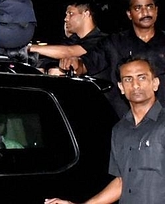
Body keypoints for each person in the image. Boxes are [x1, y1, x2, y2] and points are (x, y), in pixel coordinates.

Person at [45, 57, 165, 204]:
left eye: (142, 77)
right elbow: (121, 182)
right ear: (121, 87)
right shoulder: (119, 130)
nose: (135, 85)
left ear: (155, 83)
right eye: (128, 79)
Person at [60, 0, 165, 117]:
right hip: (126, 121)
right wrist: (75, 63)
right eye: (138, 8)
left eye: (149, 6)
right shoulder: (114, 43)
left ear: (156, 10)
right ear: (129, 14)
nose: (145, 12)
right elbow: (88, 63)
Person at [29, 0, 107, 74]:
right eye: (66, 14)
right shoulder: (73, 41)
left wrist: (29, 48)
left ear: (86, 14)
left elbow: (69, 52)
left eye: (70, 14)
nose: (66, 19)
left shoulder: (101, 41)